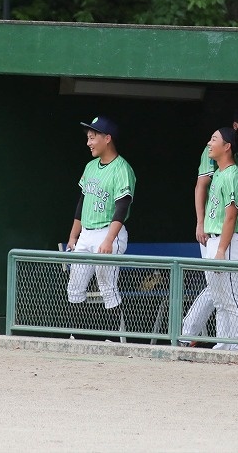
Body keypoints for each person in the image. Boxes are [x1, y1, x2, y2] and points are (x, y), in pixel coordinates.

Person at [183, 105, 238, 345]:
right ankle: (218, 343)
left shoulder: (237, 168)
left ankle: (217, 341)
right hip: (212, 232)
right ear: (236, 127)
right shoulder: (216, 160)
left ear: (226, 146)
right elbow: (201, 186)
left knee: (228, 295)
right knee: (219, 293)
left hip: (228, 236)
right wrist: (200, 223)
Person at [65, 116, 136, 331]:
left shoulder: (122, 168)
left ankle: (113, 339)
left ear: (107, 138)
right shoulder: (90, 167)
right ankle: (77, 337)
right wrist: (73, 235)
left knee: (107, 288)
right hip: (86, 233)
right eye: (88, 138)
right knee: (74, 287)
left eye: (92, 137)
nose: (89, 142)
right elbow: (82, 202)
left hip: (108, 232)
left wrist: (109, 240)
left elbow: (122, 207)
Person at [184, 127, 238, 350]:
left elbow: (231, 216)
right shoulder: (219, 173)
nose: (209, 144)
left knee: (231, 298)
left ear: (227, 146)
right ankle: (223, 347)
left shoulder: (233, 175)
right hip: (215, 240)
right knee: (220, 300)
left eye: (214, 139)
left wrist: (221, 250)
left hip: (227, 242)